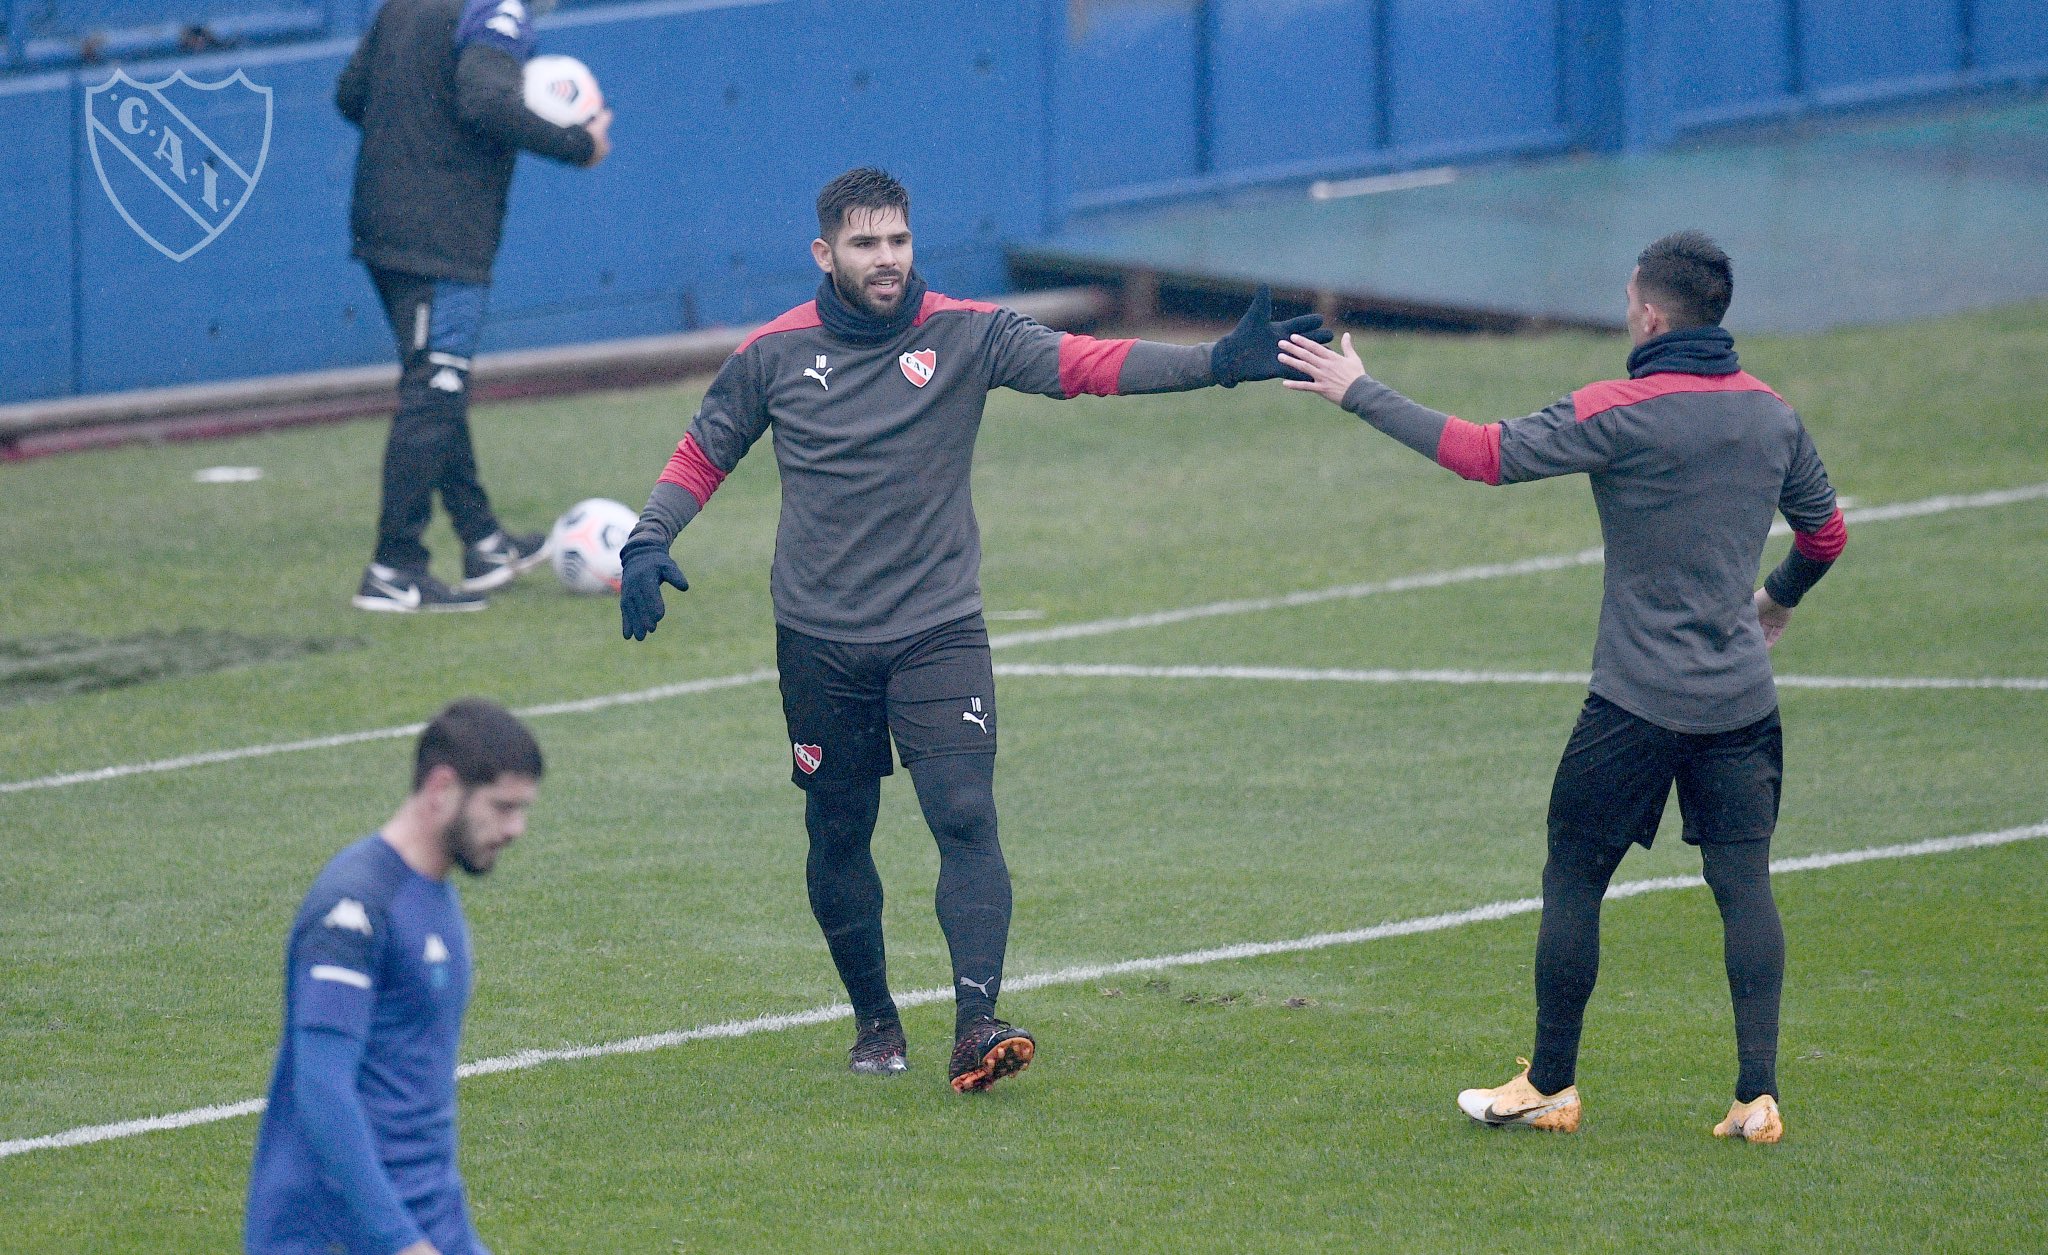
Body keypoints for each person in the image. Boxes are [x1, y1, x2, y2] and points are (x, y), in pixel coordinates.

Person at [618, 167, 1330, 1092]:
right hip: (820, 639)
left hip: (937, 627)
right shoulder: (772, 355)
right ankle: (875, 1020)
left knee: (963, 813)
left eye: (900, 241)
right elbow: (704, 449)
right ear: (824, 253)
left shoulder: (969, 332)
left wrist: (1215, 363)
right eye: (867, 244)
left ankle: (976, 1022)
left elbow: (1087, 364)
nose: (887, 260)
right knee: (839, 830)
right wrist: (647, 539)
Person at [1278, 231, 1846, 1143]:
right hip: (1741, 703)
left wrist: (1359, 392)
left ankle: (1551, 1083)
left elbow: (1482, 454)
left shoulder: (1617, 408)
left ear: (1652, 314)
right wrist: (1773, 602)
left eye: (1629, 298)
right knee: (1744, 886)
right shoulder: (1772, 415)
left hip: (1633, 703)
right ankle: (1757, 1095)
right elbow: (1825, 536)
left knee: (1574, 877)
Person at [337, 0, 613, 612]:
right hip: (441, 236)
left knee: (436, 384)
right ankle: (394, 568)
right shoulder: (495, 9)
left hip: (382, 222)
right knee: (435, 387)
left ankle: (482, 540)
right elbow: (483, 97)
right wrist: (577, 143)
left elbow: (352, 95)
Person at [245, 699, 543, 1253]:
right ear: (442, 789)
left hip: (429, 1220)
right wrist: (399, 1240)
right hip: (334, 1235)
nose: (516, 829)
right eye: (502, 807)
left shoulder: (435, 897)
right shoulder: (354, 907)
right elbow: (322, 1087)